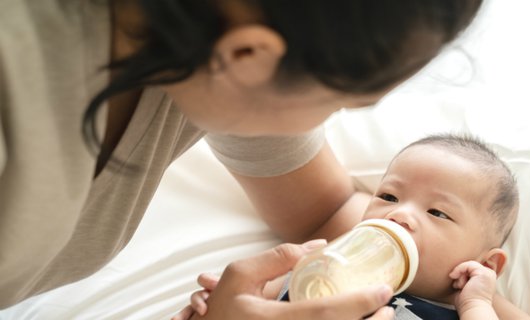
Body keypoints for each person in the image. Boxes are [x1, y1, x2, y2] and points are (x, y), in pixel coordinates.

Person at [0, 0, 483, 318]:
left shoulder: (203, 39)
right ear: (249, 55)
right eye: (336, 102)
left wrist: (469, 290)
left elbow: (327, 210)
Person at [182, 134, 530, 319]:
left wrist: (476, 306)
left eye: (438, 213)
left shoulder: (471, 302)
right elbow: (247, 306)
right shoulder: (319, 265)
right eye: (389, 196)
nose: (399, 215)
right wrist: (216, 305)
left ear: (487, 265)